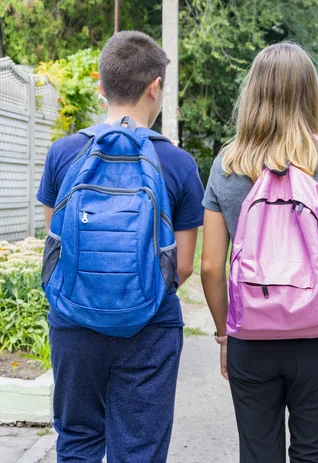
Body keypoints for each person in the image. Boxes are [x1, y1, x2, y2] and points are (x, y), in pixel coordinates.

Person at [201, 42, 318, 463]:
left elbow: (209, 267)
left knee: (258, 455)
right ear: (312, 94)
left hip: (252, 335)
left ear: (252, 96)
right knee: (316, 455)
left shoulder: (227, 166)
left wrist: (226, 335)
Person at [36, 31, 205, 462]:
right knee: (141, 449)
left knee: (77, 440)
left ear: (101, 87)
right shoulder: (179, 164)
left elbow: (55, 246)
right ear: (155, 87)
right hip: (150, 325)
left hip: (73, 323)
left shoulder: (62, 154)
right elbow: (182, 266)